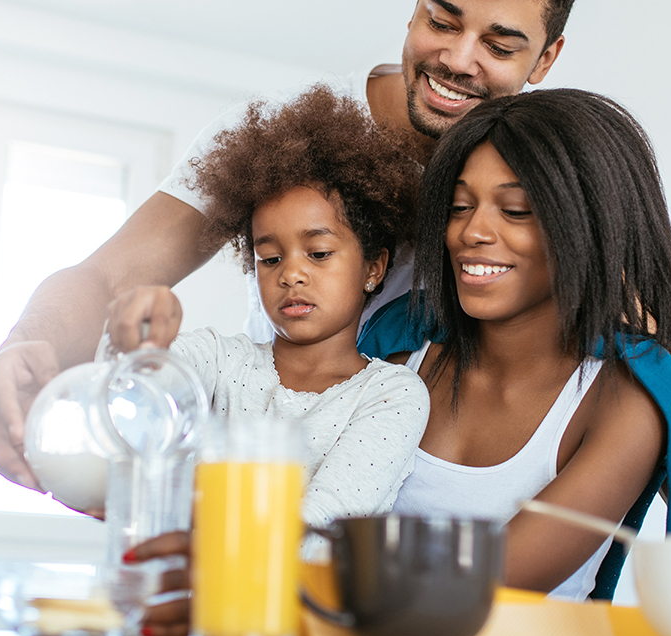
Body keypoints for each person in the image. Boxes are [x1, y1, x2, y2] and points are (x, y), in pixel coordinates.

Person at [0, 0, 671, 630]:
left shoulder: (545, 190)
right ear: (415, 3)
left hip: (327, 574)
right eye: (440, 21)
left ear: (544, 61)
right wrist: (32, 344)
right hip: (266, 513)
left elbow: (664, 367)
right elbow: (111, 275)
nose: (457, 59)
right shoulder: (282, 137)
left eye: (500, 43)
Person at [365, 89, 671, 600]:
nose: (473, 231)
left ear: (592, 225)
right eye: (459, 205)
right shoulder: (397, 345)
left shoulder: (623, 402)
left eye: (517, 210)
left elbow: (487, 586)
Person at [102, 87, 429, 527]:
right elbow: (132, 384)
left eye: (318, 253)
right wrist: (137, 340)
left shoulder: (392, 395)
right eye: (270, 258)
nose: (290, 274)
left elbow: (321, 524)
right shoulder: (219, 362)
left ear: (373, 267)